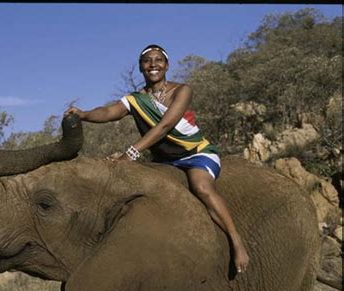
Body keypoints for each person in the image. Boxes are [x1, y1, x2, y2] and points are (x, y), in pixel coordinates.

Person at [63, 44, 249, 274]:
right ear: (141, 67)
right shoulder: (136, 99)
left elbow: (166, 125)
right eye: (147, 61)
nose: (153, 65)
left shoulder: (182, 90)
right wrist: (84, 115)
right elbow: (110, 112)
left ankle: (236, 240)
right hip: (164, 161)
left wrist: (130, 154)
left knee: (201, 187)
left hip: (196, 154)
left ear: (167, 65)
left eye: (158, 60)